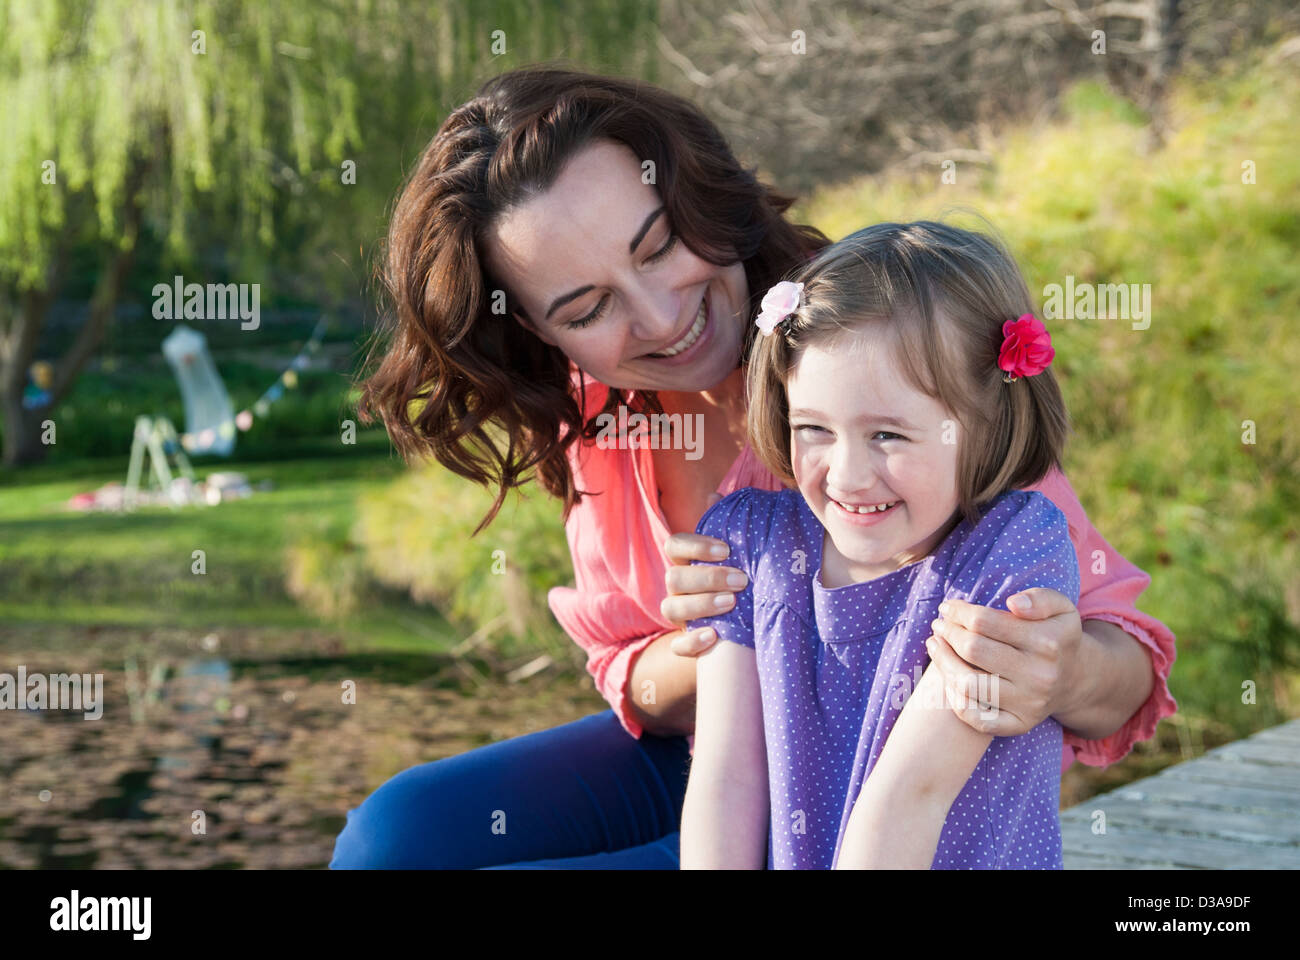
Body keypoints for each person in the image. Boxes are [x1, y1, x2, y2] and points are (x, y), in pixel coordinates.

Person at [330, 65, 1176, 869]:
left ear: (699, 193)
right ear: (538, 334)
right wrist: (720, 633)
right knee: (398, 838)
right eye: (587, 308)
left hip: (866, 784)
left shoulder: (882, 345)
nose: (661, 319)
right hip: (718, 760)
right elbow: (634, 676)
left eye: (658, 248)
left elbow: (1121, 664)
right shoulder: (601, 412)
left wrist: (1054, 667)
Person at [681, 221, 1084, 870]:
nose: (847, 475)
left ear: (985, 422)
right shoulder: (749, 543)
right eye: (814, 428)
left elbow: (908, 797)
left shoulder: (1009, 556)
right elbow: (727, 780)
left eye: (889, 436)